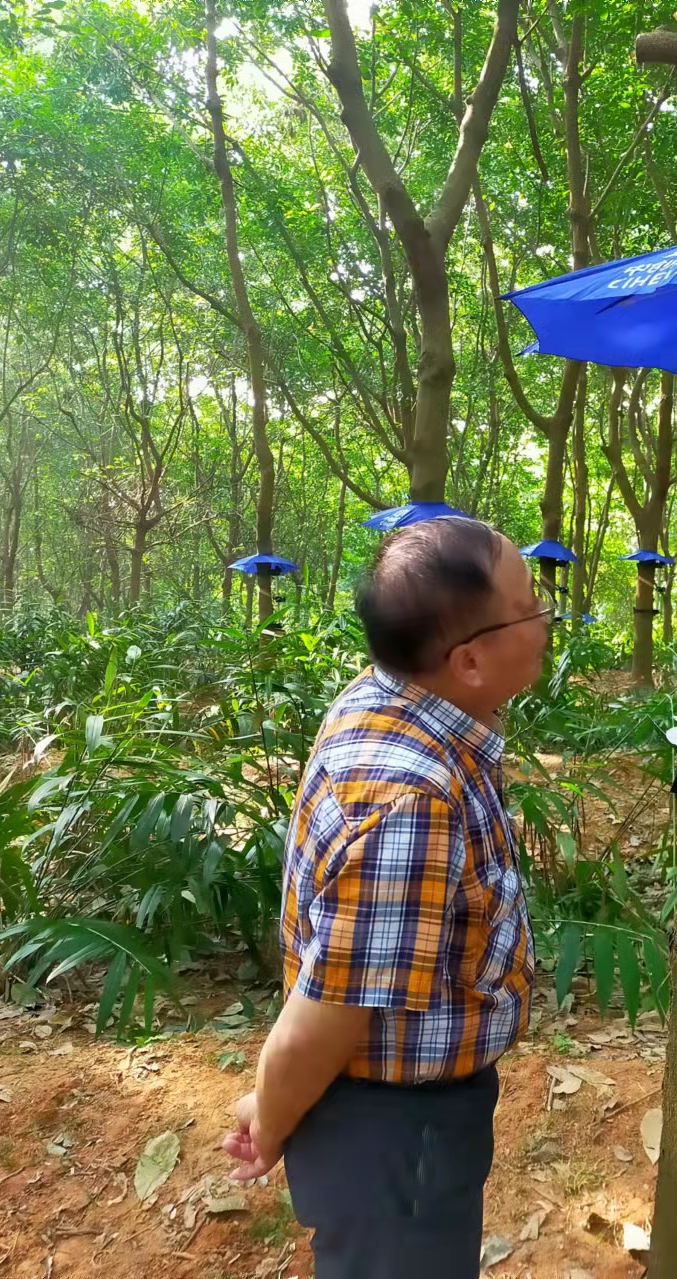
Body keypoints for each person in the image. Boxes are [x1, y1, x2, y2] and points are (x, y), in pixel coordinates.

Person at [222, 516, 551, 1278]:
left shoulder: (396, 698)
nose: (544, 618)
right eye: (530, 603)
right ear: (468, 660)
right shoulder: (411, 799)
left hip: (405, 1122)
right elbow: (328, 1016)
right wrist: (271, 1116)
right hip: (397, 1136)